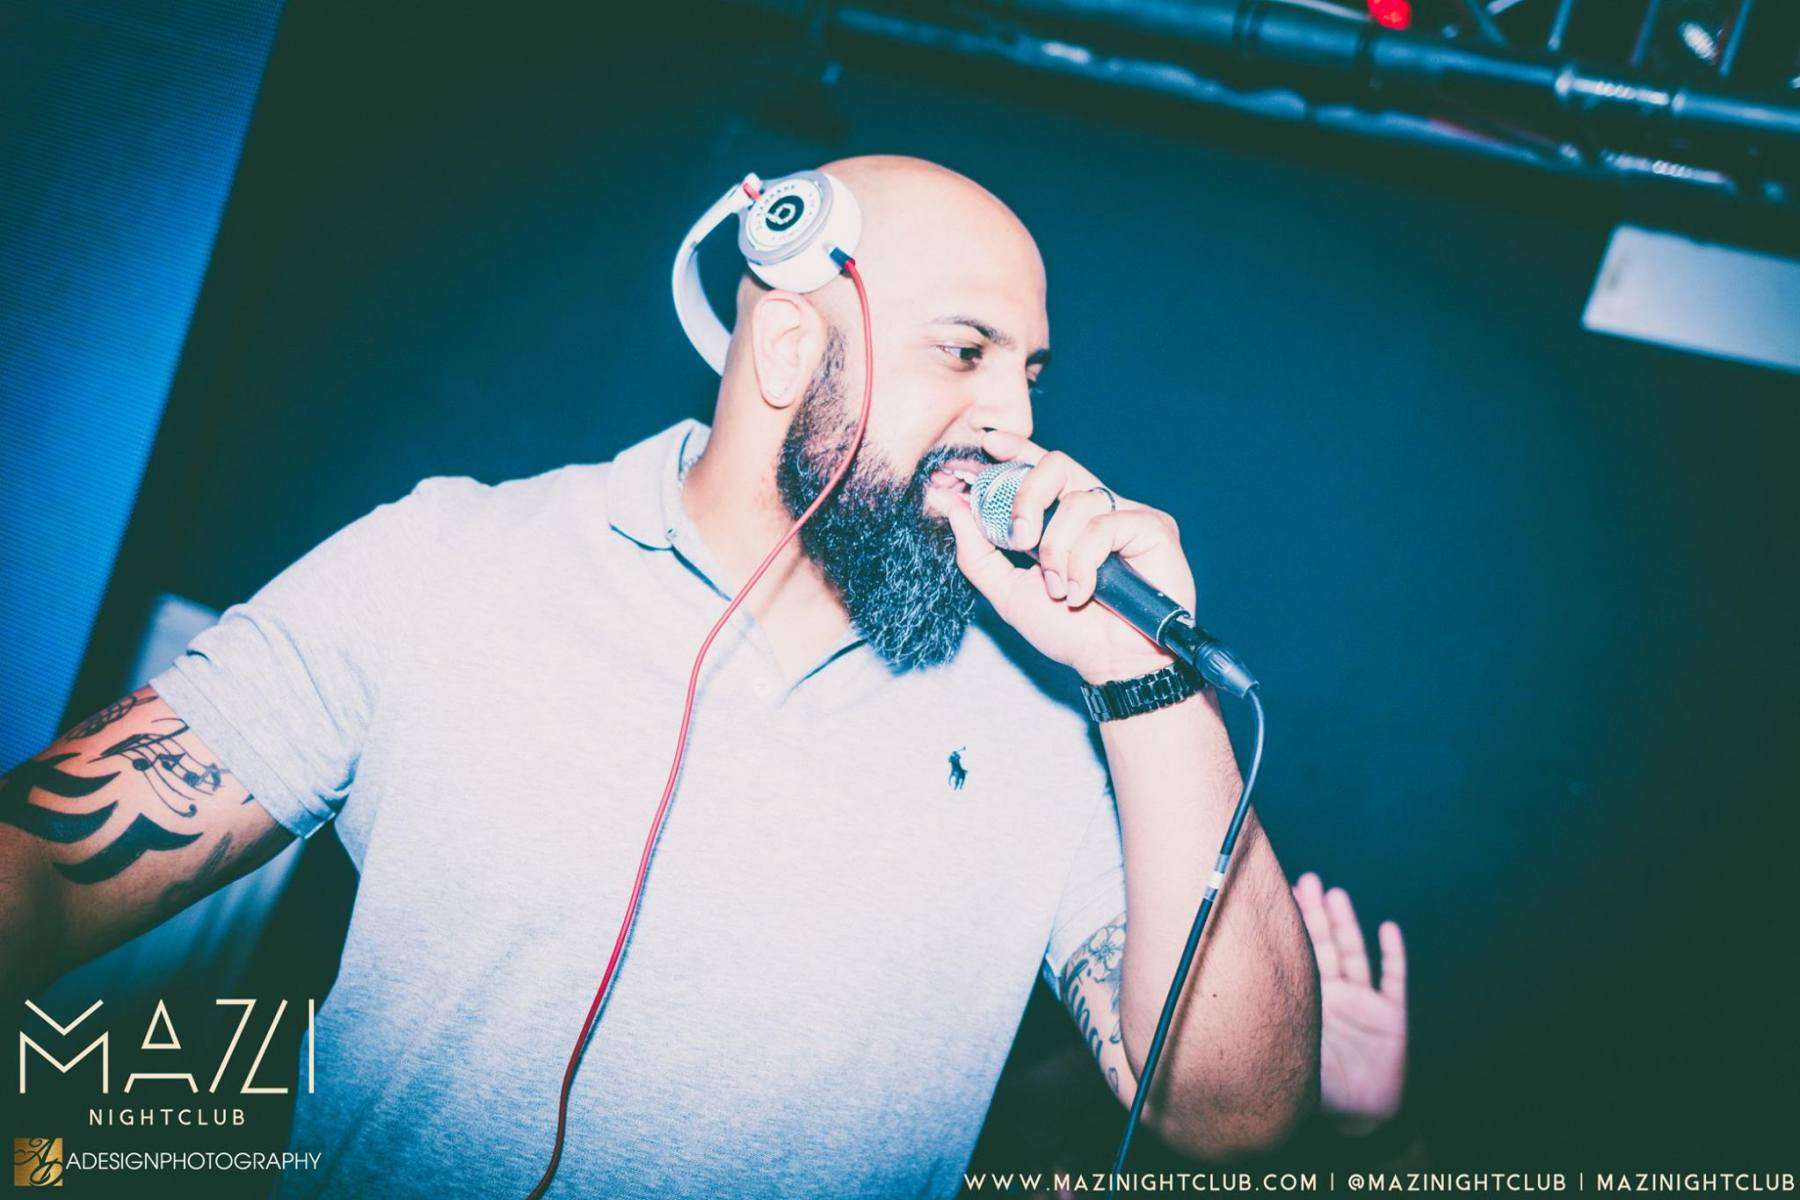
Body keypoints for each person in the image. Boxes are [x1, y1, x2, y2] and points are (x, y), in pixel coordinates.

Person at [0, 155, 1319, 1198]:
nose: (1015, 421)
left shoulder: (1045, 731)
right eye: (962, 351)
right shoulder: (446, 562)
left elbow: (1234, 1117)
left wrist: (1146, 682)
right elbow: (46, 870)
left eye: (1027, 373)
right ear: (789, 347)